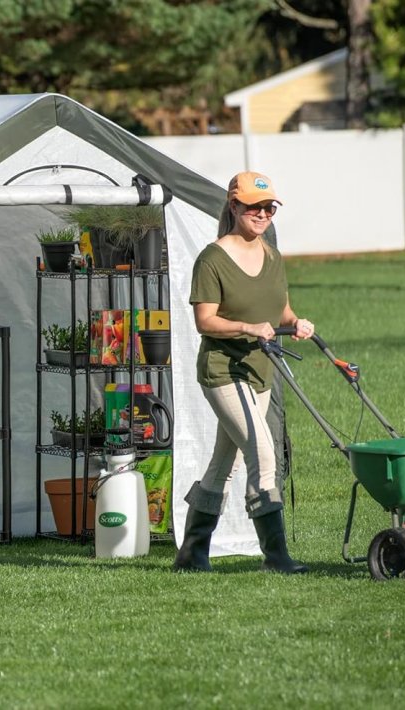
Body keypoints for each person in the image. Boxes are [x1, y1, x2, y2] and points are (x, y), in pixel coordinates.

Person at [174, 171, 313, 574]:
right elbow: (205, 321)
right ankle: (277, 557)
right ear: (234, 206)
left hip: (260, 371)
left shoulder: (272, 256)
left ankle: (191, 553)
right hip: (224, 371)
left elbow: (280, 309)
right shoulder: (212, 259)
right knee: (263, 455)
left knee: (225, 464)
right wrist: (247, 328)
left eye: (269, 208)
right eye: (255, 206)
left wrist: (296, 322)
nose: (263, 214)